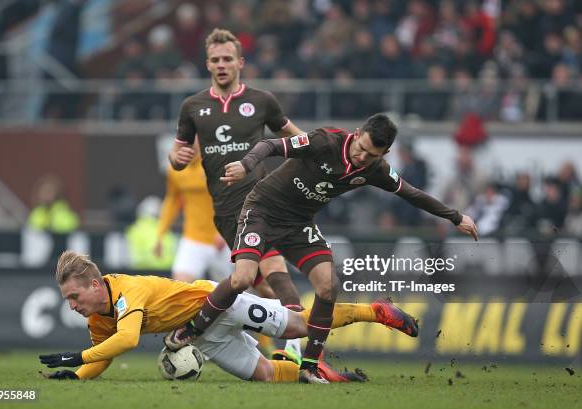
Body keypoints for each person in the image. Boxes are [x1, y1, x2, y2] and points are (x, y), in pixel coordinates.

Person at [177, 113, 479, 383]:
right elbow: (271, 146)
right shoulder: (324, 141)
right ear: (357, 133)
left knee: (328, 286)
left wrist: (456, 217)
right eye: (361, 147)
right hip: (263, 211)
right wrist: (246, 165)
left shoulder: (377, 170)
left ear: (384, 153)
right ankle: (191, 330)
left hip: (298, 224)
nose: (362, 157)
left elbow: (412, 193)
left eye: (371, 154)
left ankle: (309, 366)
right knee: (243, 279)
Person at [38, 251, 408, 382]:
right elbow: (105, 354)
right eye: (68, 299)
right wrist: (78, 375)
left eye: (74, 296)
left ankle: (375, 310)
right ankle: (315, 371)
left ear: (92, 283)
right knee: (264, 375)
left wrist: (78, 357)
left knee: (299, 324)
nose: (72, 304)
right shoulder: (96, 318)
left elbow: (129, 340)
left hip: (219, 302)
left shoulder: (126, 291)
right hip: (201, 335)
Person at [168, 28, 305, 359]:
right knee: (258, 283)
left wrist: (319, 148)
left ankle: (299, 348)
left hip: (260, 202)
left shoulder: (261, 101)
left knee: (274, 270)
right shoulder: (193, 106)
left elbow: (294, 136)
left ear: (240, 62)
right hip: (226, 212)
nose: (221, 65)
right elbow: (176, 155)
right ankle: (302, 333)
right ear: (207, 64)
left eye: (227, 59)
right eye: (215, 60)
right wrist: (178, 159)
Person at [154, 141, 231, 283]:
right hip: (193, 238)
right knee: (180, 286)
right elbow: (172, 201)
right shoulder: (175, 170)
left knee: (235, 291)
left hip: (223, 240)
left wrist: (223, 230)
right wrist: (160, 234)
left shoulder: (215, 163)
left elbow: (231, 197)